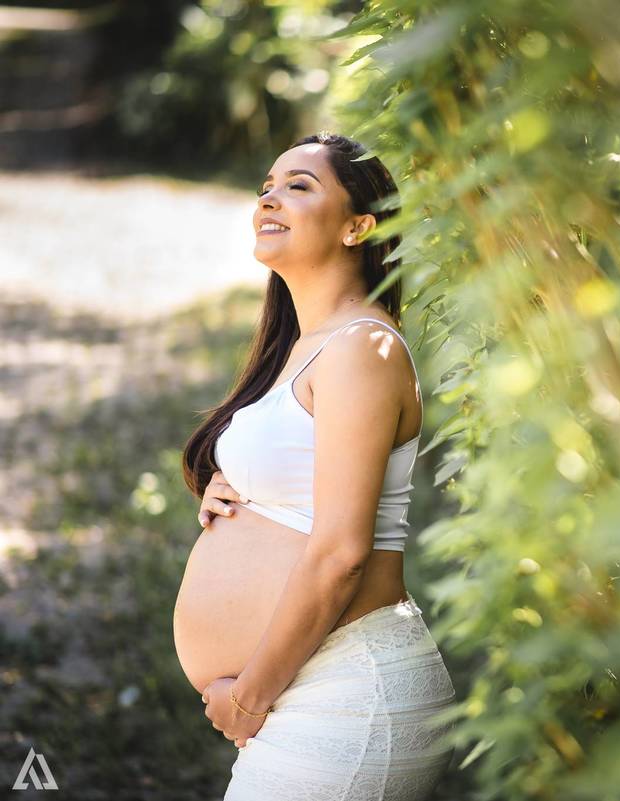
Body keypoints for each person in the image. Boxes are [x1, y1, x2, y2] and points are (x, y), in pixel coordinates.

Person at [173, 131, 456, 800]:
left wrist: (249, 696)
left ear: (359, 225)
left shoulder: (363, 347)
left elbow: (339, 553)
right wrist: (228, 491)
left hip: (346, 691)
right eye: (267, 185)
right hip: (317, 688)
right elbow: (299, 482)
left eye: (299, 185)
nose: (270, 197)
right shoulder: (308, 346)